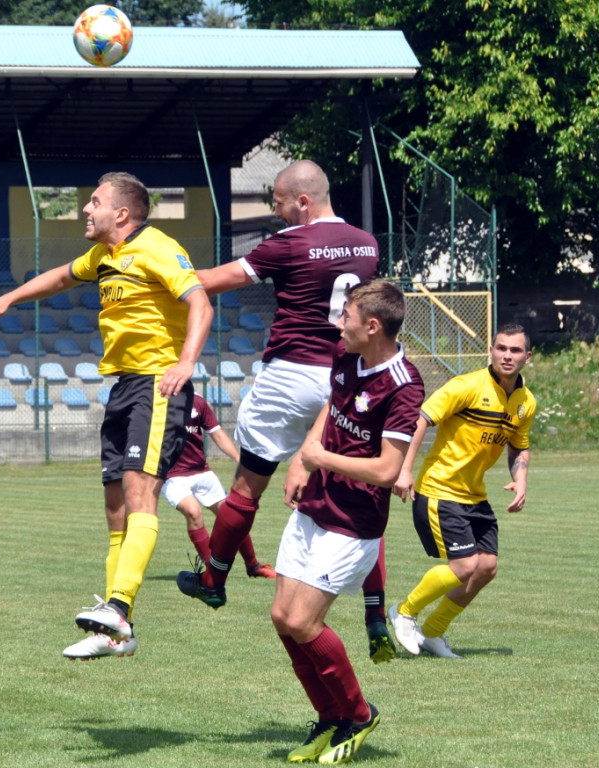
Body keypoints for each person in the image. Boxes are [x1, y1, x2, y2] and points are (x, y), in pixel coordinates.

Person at [0, 171, 213, 661]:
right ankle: (114, 635)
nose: (86, 209)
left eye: (95, 202)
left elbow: (200, 303)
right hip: (124, 385)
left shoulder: (157, 248)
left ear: (121, 213)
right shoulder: (104, 256)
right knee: (114, 509)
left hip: (157, 383)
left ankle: (119, 609)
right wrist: (9, 297)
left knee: (141, 492)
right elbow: (63, 276)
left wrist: (186, 363)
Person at [176, 159, 394, 663]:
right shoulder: (367, 243)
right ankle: (376, 613)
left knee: (248, 485)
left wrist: (155, 267)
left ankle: (216, 576)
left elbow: (210, 280)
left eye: (276, 201)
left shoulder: (289, 244)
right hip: (342, 379)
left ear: (302, 200)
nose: (274, 213)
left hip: (289, 377)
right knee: (359, 494)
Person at [272, 280, 423, 764]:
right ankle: (331, 718)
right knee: (281, 618)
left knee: (303, 620)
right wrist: (303, 458)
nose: (339, 323)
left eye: (347, 317)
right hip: (316, 504)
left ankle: (359, 715)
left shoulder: (404, 384)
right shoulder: (346, 357)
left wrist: (322, 458)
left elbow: (386, 470)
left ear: (372, 326)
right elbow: (332, 409)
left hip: (354, 521)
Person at [388, 323, 536, 659]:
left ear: (528, 356)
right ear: (491, 351)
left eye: (515, 350)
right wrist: (405, 469)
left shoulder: (526, 402)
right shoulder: (466, 386)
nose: (507, 356)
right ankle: (405, 612)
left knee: (486, 568)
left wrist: (521, 479)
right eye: (501, 348)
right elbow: (420, 419)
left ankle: (434, 632)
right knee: (465, 565)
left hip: (474, 495)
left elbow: (519, 446)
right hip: (440, 490)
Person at [162, 392, 275, 579]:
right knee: (193, 512)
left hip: (201, 471)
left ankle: (253, 566)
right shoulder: (155, 400)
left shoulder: (197, 401)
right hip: (171, 475)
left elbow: (218, 435)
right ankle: (212, 573)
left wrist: (240, 460)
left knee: (232, 515)